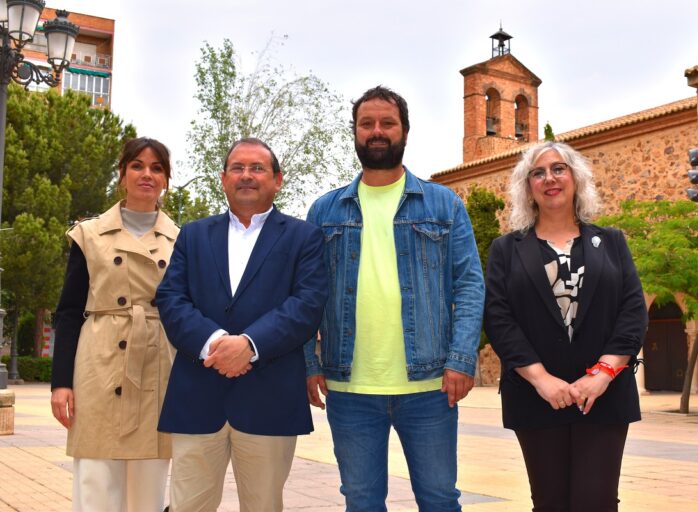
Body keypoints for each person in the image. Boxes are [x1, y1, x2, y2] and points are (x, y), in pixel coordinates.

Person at [304, 85, 485, 511]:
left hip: (429, 385)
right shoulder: (325, 211)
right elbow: (305, 296)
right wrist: (309, 362)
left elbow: (470, 284)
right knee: (362, 501)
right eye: (367, 124)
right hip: (348, 386)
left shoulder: (444, 204)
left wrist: (461, 358)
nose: (377, 131)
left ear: (405, 130)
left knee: (439, 499)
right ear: (354, 133)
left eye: (387, 122)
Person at [155, 137, 327, 512]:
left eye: (257, 168)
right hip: (197, 398)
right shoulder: (193, 234)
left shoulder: (304, 238)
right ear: (223, 178)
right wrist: (215, 343)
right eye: (238, 168)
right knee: (187, 506)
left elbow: (306, 305)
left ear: (278, 179)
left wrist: (249, 345)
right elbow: (170, 299)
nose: (246, 175)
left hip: (269, 399)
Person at [483, 141, 648, 511]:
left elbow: (633, 311)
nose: (549, 178)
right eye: (537, 173)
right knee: (550, 502)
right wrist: (540, 378)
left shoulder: (611, 242)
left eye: (559, 169)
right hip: (535, 397)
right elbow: (498, 316)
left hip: (603, 397)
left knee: (597, 501)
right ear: (527, 188)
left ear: (576, 178)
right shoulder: (506, 249)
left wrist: (603, 373)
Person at [50, 137, 179, 511]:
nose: (147, 175)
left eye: (157, 168)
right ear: (122, 174)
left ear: (166, 180)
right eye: (137, 165)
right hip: (99, 364)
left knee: (148, 483)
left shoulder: (181, 240)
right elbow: (69, 311)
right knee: (95, 476)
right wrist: (61, 383)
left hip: (156, 363)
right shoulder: (88, 234)